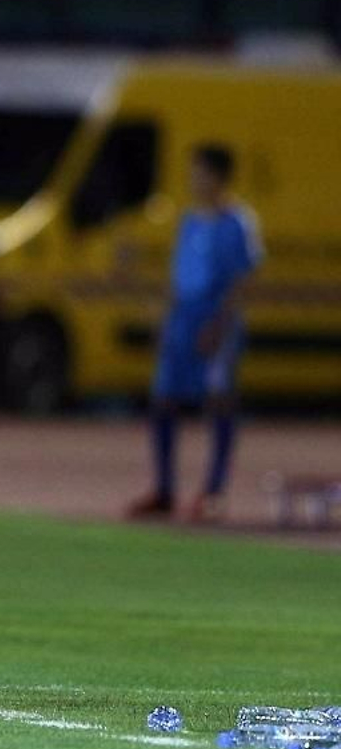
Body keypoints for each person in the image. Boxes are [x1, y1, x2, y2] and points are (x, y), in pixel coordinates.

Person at [128, 144, 262, 524]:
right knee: (164, 401)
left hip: (215, 320)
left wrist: (220, 324)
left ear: (218, 176)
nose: (192, 179)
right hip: (183, 319)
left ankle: (214, 491)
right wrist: (166, 320)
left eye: (199, 172)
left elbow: (241, 279)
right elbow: (180, 275)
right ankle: (165, 489)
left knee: (219, 400)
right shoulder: (189, 220)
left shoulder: (237, 222)